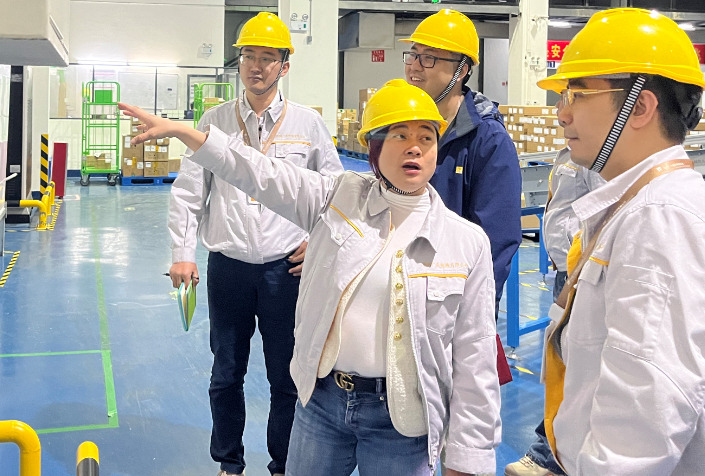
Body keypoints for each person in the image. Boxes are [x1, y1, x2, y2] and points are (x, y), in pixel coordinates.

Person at [125, 79, 501, 476]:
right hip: (322, 406)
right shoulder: (339, 198)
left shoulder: (465, 243)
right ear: (374, 147)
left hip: (403, 421)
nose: (415, 147)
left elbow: (475, 357)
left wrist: (468, 458)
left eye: (427, 137)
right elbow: (260, 172)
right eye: (400, 135)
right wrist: (187, 133)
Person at [538, 7, 705, 475]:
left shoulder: (663, 221)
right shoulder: (638, 206)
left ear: (639, 107)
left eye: (576, 94)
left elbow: (639, 433)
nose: (562, 114)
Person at [168, 11, 343, 476]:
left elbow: (335, 193)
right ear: (239, 61)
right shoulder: (214, 122)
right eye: (249, 56)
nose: (257, 66)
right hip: (228, 267)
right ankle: (229, 463)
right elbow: (189, 191)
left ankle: (283, 465)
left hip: (286, 270)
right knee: (226, 371)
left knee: (287, 374)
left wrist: (318, 242)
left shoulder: (307, 125)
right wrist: (183, 254)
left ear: (284, 65)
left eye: (268, 58)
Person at [402, 8, 521, 304]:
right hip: (404, 287)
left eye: (428, 58)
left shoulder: (488, 140)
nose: (414, 66)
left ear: (462, 70)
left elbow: (496, 241)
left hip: (453, 298)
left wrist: (472, 309)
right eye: (412, 55)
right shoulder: (403, 126)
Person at [504, 148, 603, 476]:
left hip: (580, 271)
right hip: (565, 269)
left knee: (573, 366)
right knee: (564, 360)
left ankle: (548, 456)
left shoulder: (596, 153)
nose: (563, 120)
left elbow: (605, 216)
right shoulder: (569, 152)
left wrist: (576, 274)